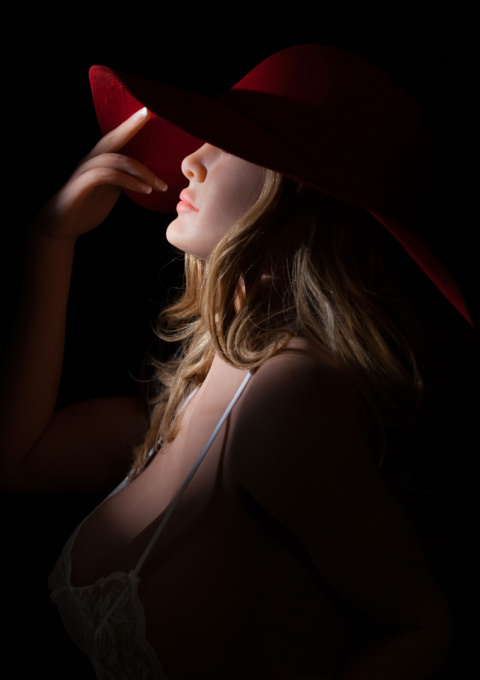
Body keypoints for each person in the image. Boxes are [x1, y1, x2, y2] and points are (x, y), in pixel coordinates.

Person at [0, 44, 472, 679]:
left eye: (230, 143)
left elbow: (420, 626)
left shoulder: (286, 397)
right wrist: (52, 240)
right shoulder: (208, 379)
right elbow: (22, 461)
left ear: (300, 193)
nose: (191, 160)